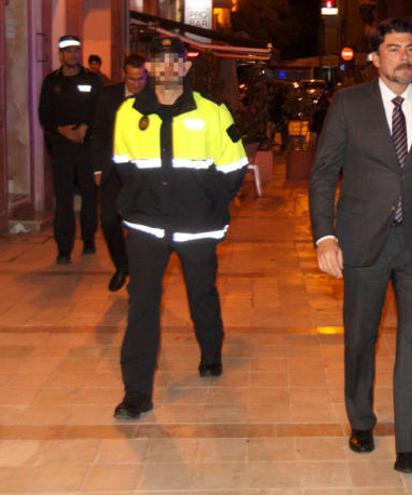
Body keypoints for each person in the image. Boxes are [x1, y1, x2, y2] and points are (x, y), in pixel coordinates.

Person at [309, 18, 412, 481]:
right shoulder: (349, 105)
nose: (405, 57)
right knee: (360, 337)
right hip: (362, 239)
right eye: (394, 49)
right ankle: (362, 420)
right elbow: (324, 172)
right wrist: (324, 235)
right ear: (375, 57)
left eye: (411, 48)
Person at [111, 37, 248, 420]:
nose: (169, 68)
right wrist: (142, 199)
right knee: (142, 304)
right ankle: (136, 392)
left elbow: (234, 166)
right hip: (146, 225)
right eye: (161, 61)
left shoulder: (213, 112)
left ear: (186, 68)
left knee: (201, 293)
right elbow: (123, 164)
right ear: (150, 69)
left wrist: (208, 202)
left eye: (176, 61)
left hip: (196, 226)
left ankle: (210, 351)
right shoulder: (128, 113)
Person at [39, 35, 103, 264]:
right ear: (60, 55)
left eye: (76, 51)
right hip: (62, 147)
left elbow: (100, 110)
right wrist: (61, 130)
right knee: (63, 199)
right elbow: (44, 114)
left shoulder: (93, 80)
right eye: (68, 51)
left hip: (87, 146)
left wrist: (86, 127)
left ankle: (88, 241)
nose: (72, 55)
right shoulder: (51, 82)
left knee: (89, 195)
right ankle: (63, 249)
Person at [91, 53, 148, 292]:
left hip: (144, 172)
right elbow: (99, 133)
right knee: (108, 221)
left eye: (141, 79)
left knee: (140, 227)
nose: (136, 84)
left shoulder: (155, 98)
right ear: (124, 75)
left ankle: (138, 274)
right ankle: (122, 266)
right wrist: (96, 167)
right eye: (132, 79)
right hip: (113, 169)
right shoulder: (108, 96)